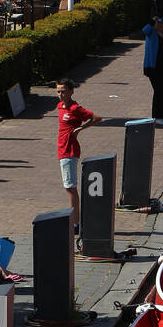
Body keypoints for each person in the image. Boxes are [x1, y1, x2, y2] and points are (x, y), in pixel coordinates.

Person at [56, 78, 101, 237]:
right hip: (62, 150)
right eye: (58, 91)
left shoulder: (75, 108)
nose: (61, 95)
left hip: (69, 151)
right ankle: (75, 221)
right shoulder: (60, 106)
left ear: (71, 92)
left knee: (70, 187)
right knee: (69, 186)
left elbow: (96, 117)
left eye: (63, 91)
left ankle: (76, 223)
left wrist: (80, 129)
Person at [142, 15, 163, 122]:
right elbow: (145, 29)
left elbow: (162, 50)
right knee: (158, 91)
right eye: (159, 22)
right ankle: (156, 116)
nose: (161, 25)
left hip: (162, 67)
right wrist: (152, 20)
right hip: (152, 67)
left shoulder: (162, 34)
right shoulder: (151, 32)